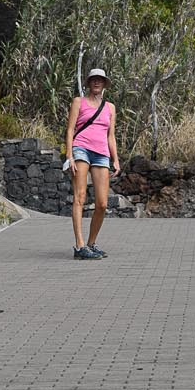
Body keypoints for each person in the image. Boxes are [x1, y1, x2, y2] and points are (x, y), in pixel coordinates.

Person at [69, 69, 118, 261]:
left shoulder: (110, 107)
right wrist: (70, 156)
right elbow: (70, 129)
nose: (97, 83)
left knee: (102, 203)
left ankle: (91, 243)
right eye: (93, 80)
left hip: (101, 153)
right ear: (89, 83)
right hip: (81, 148)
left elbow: (110, 135)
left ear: (104, 84)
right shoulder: (78, 102)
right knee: (79, 197)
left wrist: (116, 159)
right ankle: (79, 245)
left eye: (100, 80)